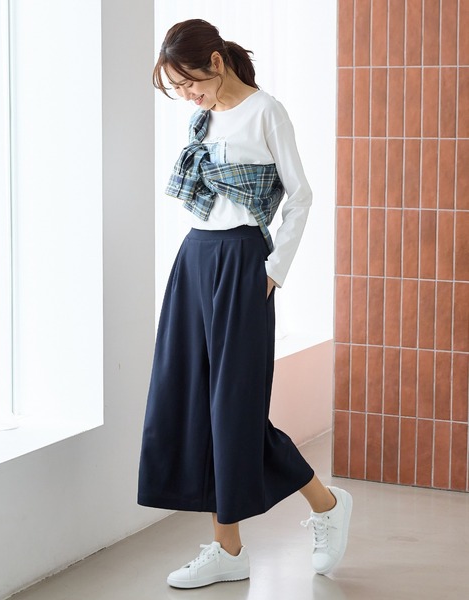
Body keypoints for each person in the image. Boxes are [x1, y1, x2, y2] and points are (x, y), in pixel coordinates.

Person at [138, 18, 352, 589]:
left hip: (242, 262)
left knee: (233, 408)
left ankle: (325, 506)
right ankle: (230, 549)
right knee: (190, 398)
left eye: (189, 81)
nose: (187, 94)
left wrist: (274, 271)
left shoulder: (266, 112)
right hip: (196, 258)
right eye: (177, 87)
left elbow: (301, 196)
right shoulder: (203, 117)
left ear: (216, 60)